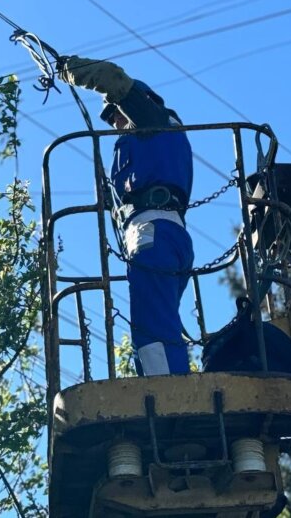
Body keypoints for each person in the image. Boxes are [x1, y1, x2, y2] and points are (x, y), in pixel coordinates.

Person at [59, 56, 194, 376]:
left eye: (117, 116)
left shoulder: (150, 118)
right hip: (168, 231)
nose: (116, 125)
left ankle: (167, 395)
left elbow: (111, 77)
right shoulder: (162, 142)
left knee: (152, 324)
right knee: (161, 317)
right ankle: (169, 383)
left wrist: (71, 70)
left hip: (152, 232)